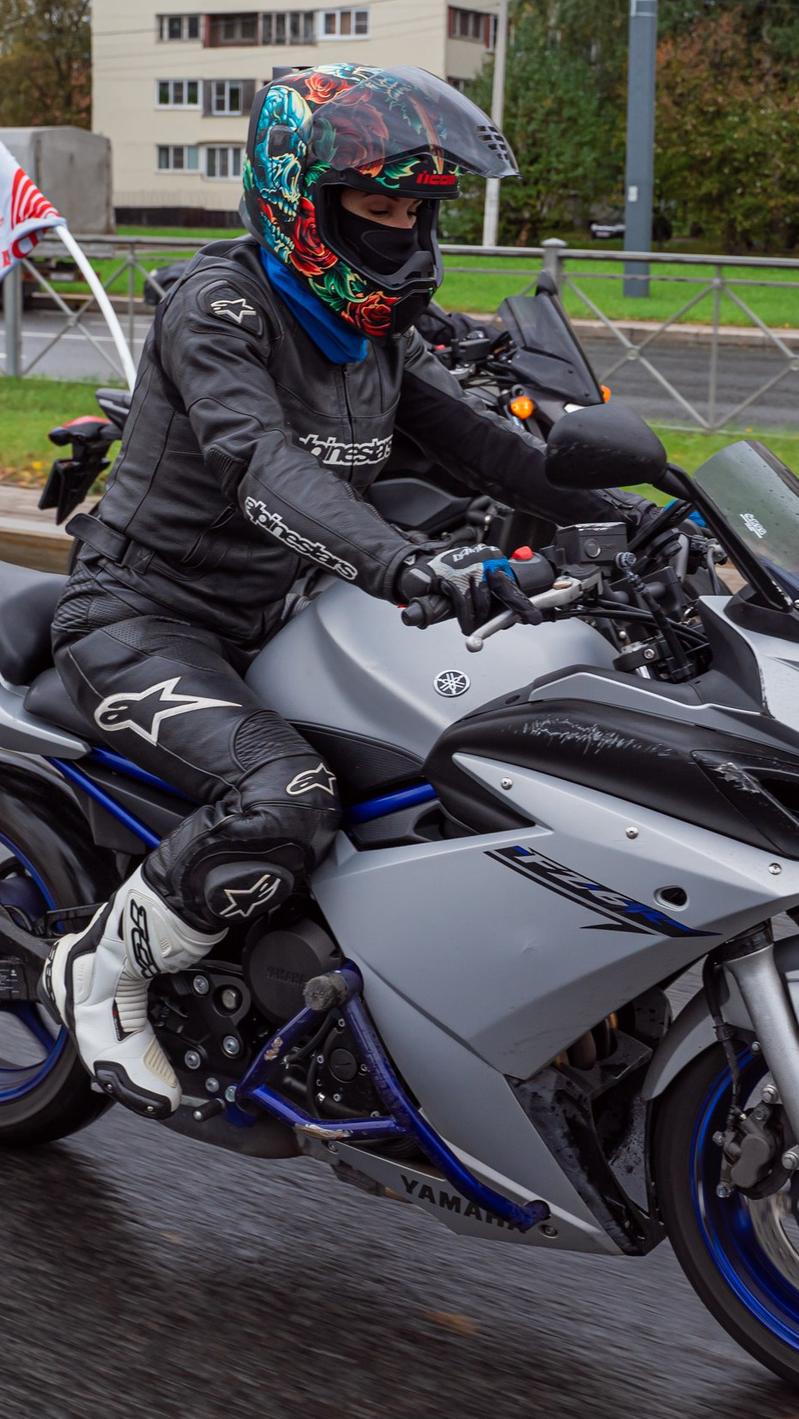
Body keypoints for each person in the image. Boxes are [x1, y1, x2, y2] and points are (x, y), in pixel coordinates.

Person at [44, 64, 635, 1117]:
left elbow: (492, 454)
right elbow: (260, 463)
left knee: (470, 754)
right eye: (376, 205)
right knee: (289, 797)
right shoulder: (217, 310)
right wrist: (407, 564)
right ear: (299, 196)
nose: (402, 230)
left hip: (284, 616)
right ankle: (102, 973)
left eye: (417, 209)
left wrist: (647, 514)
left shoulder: (374, 338)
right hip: (143, 617)